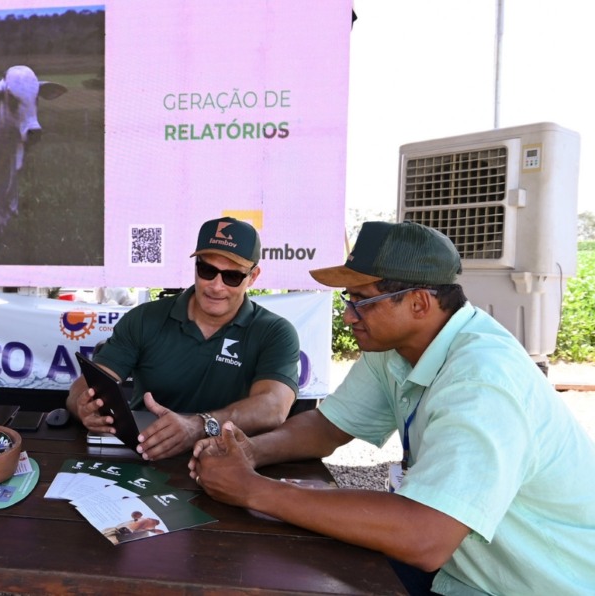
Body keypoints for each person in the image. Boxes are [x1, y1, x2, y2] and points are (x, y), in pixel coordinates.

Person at [190, 221, 595, 595]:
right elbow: (328, 427)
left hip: (531, 586)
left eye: (363, 300)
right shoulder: (397, 345)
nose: (348, 316)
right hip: (463, 570)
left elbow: (425, 537)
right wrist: (251, 452)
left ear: (419, 303)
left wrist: (254, 490)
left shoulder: (482, 380)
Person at [66, 217, 301, 461]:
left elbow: (273, 406)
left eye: (232, 276)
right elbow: (86, 385)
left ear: (253, 277)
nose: (216, 286)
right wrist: (83, 406)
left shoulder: (275, 332)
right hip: (146, 452)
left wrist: (198, 426)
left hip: (228, 462)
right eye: (207, 270)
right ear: (196, 265)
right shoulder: (144, 319)